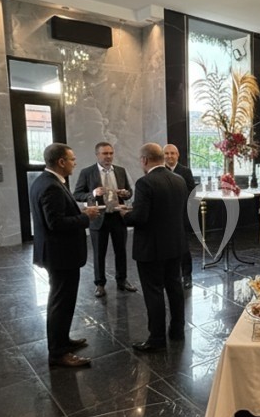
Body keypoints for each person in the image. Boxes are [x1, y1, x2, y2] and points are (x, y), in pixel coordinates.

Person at [29, 143, 101, 368]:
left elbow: (56, 215)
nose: (75, 162)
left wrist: (77, 212)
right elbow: (56, 223)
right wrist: (86, 216)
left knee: (63, 300)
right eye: (72, 159)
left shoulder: (43, 181)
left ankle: (63, 339)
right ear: (61, 162)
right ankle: (58, 353)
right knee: (61, 301)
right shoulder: (51, 186)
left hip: (56, 253)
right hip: (60, 255)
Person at [121, 143, 190, 352]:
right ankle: (177, 330)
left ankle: (157, 338)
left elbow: (140, 218)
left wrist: (125, 214)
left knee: (153, 292)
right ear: (161, 157)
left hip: (151, 248)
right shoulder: (179, 180)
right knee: (175, 287)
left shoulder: (145, 183)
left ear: (144, 160)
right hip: (175, 244)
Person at [73, 141, 137, 297]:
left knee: (121, 251)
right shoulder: (87, 172)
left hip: (118, 216)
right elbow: (77, 194)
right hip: (98, 218)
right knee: (99, 253)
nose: (108, 156)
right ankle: (100, 284)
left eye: (111, 153)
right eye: (105, 153)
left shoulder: (121, 171)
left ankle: (122, 280)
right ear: (97, 155)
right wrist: (93, 193)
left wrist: (125, 194)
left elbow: (129, 192)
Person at [163, 143, 198, 289]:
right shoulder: (159, 171)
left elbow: (192, 191)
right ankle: (168, 276)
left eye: (173, 153)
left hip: (181, 215)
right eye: (167, 153)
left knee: (183, 247)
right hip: (163, 217)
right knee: (165, 247)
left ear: (178, 155)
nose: (170, 156)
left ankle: (187, 275)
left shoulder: (185, 171)